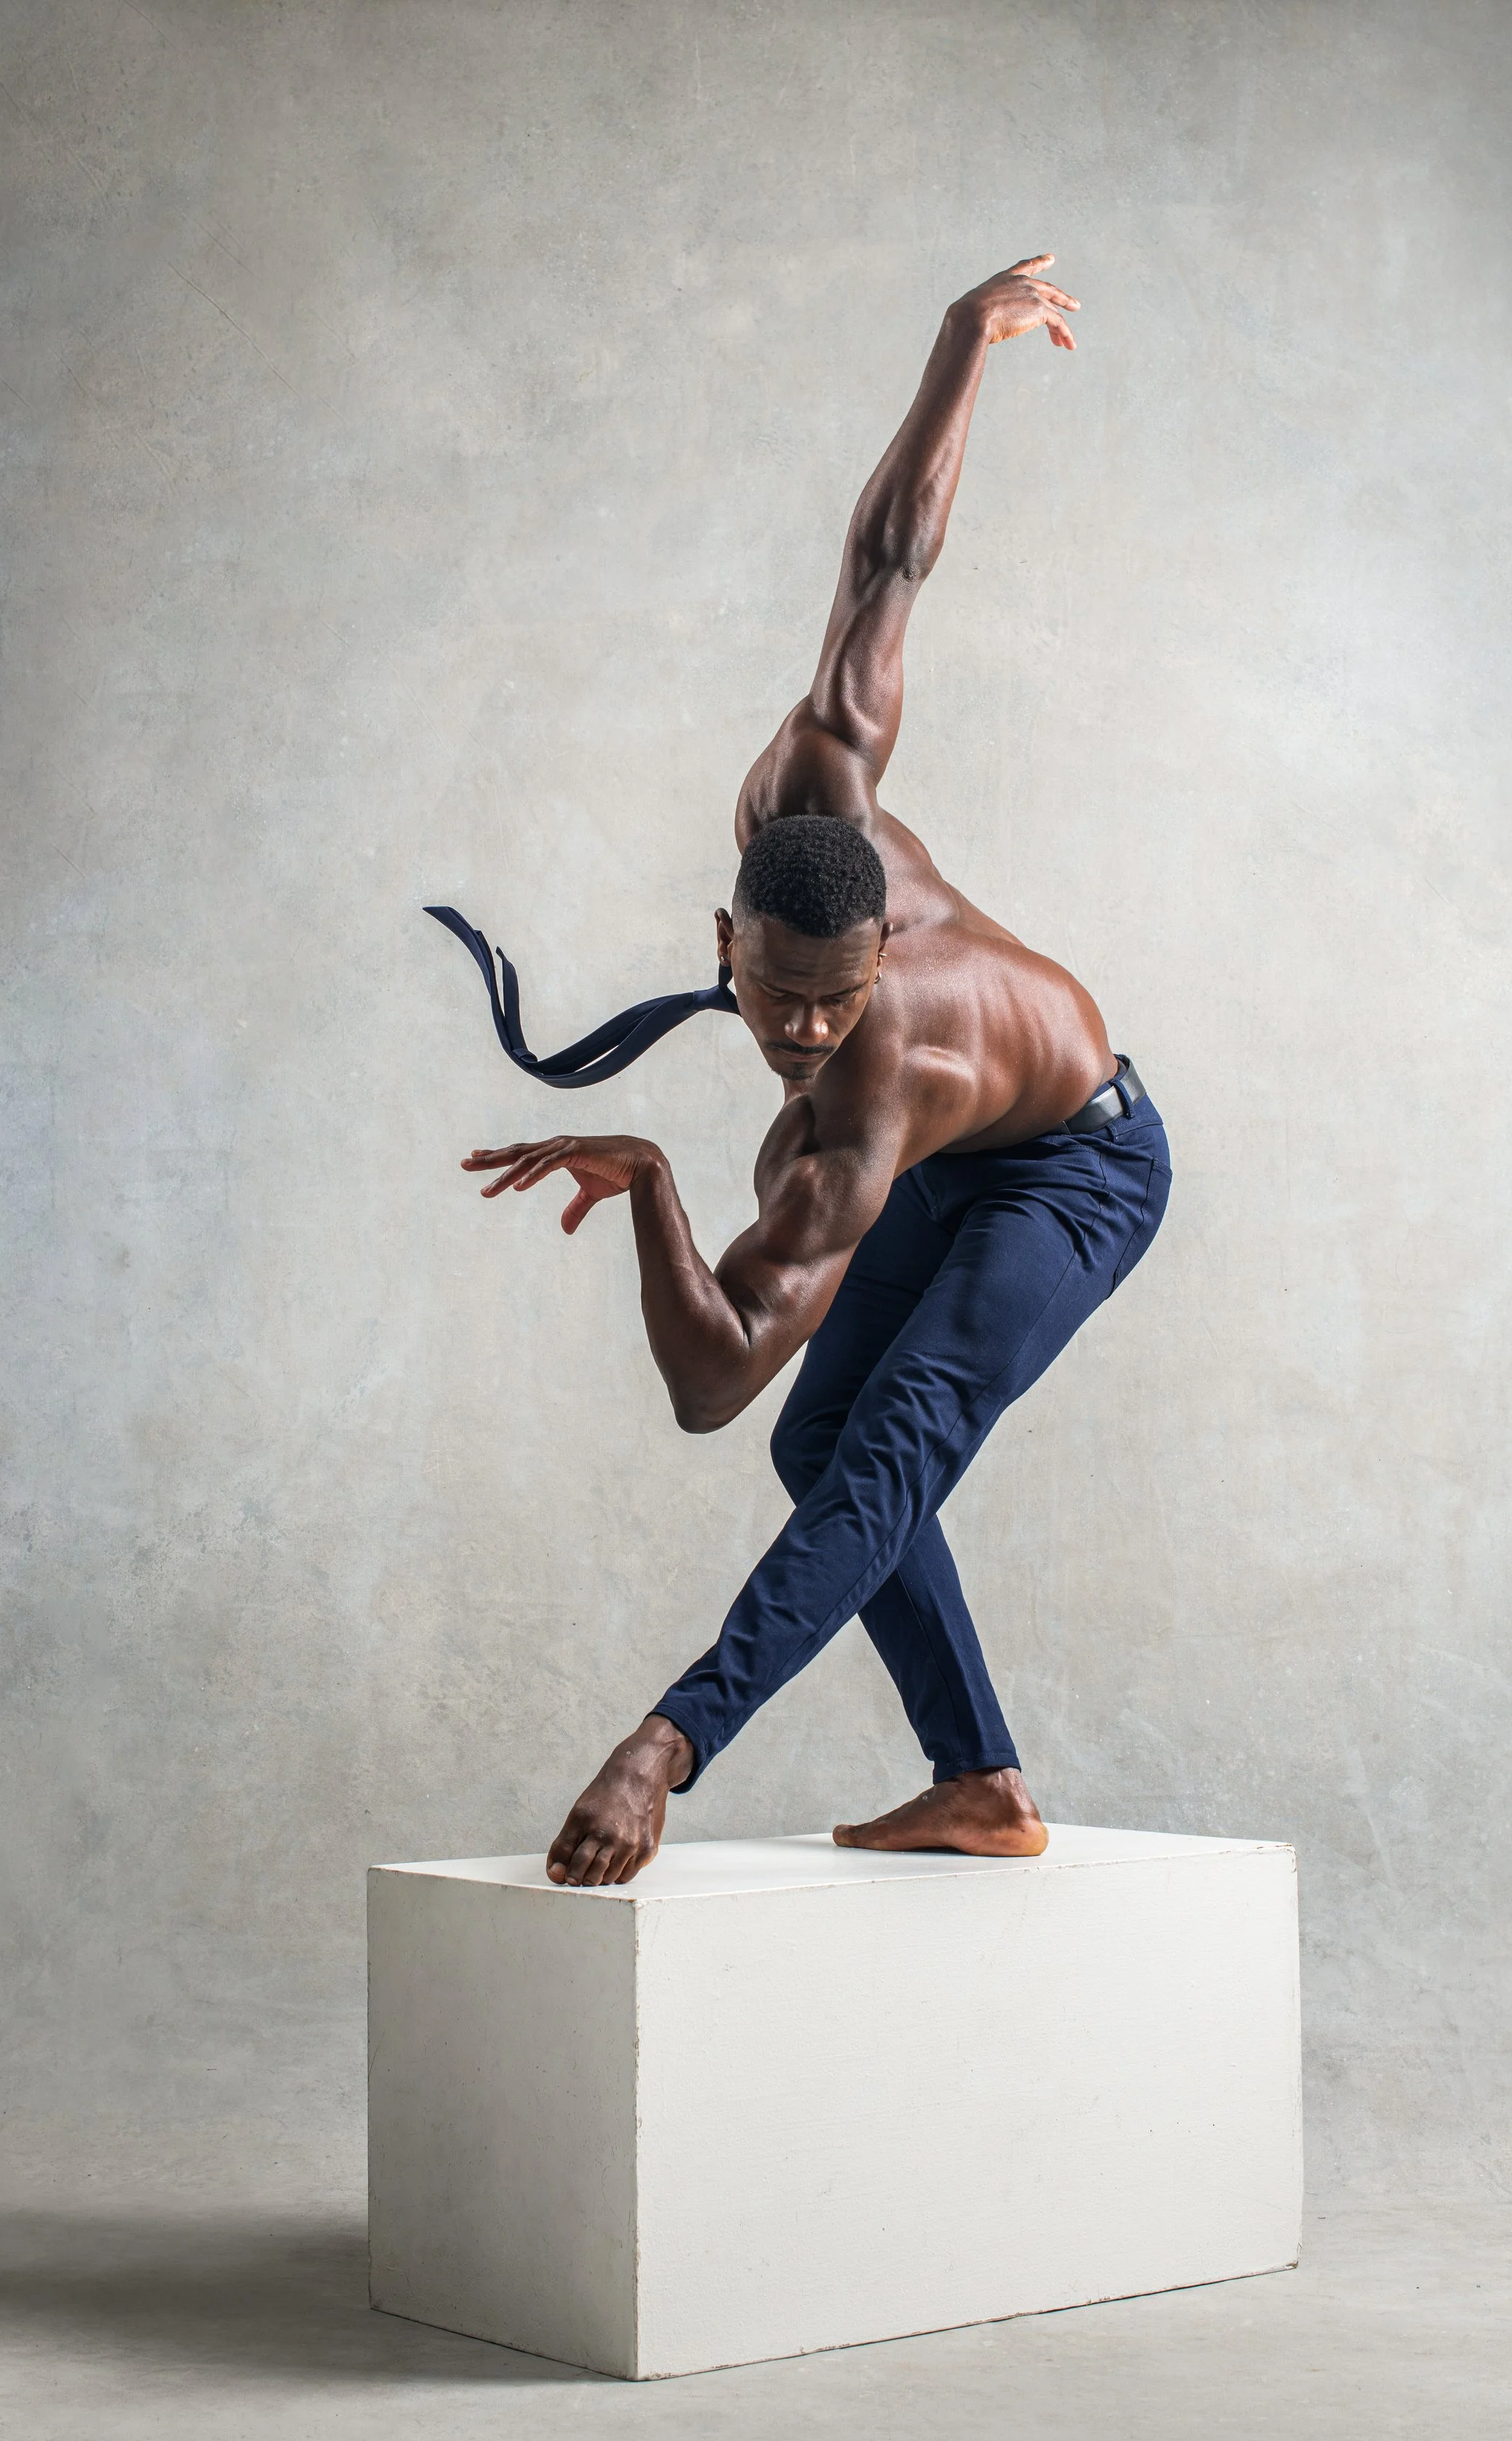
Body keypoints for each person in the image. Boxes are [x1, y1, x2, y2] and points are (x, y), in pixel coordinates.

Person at [456, 257, 1170, 1887]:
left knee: (878, 1449)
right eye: (776, 1004)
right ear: (732, 931)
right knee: (816, 1445)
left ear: (872, 967)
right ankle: (978, 1781)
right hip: (961, 1156)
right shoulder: (811, 774)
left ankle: (689, 1736)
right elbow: (885, 562)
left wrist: (667, 1741)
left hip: (1078, 1166)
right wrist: (954, 341)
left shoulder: (864, 1100)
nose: (799, 1034)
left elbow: (706, 1381)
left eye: (832, 1007)